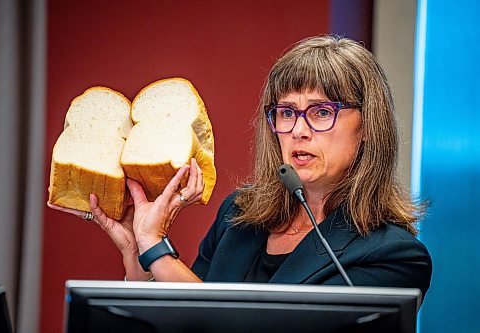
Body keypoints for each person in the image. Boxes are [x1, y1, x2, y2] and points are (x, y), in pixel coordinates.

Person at [49, 35, 432, 299]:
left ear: (367, 127)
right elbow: (177, 320)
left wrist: (158, 252)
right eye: (285, 113)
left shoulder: (397, 258)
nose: (298, 130)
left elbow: (238, 324)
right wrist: (139, 255)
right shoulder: (238, 215)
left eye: (320, 112)